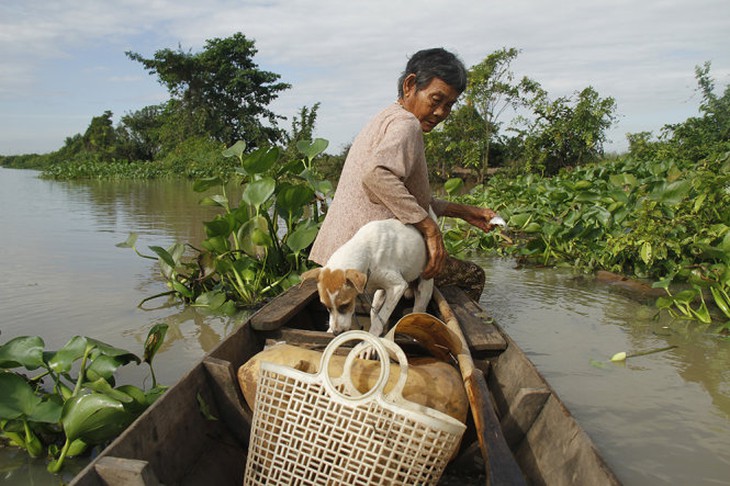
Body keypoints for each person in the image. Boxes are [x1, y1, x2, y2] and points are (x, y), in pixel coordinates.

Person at [309, 47, 499, 301]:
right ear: (410, 85)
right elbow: (377, 176)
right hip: (366, 260)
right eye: (436, 100)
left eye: (449, 105)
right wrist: (431, 229)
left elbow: (407, 198)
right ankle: (425, 328)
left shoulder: (387, 116)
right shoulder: (407, 124)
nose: (441, 112)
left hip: (336, 256)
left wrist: (465, 212)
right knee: (472, 275)